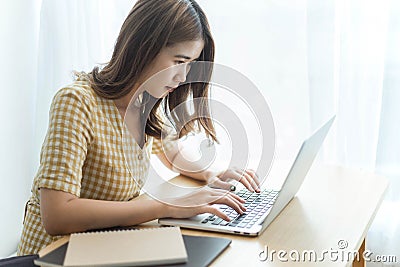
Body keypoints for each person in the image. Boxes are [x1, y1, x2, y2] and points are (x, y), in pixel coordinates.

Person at [17, 0, 260, 255]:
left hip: (105, 250)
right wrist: (167, 206)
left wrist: (211, 175)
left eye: (190, 64)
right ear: (144, 48)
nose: (183, 77)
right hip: (53, 256)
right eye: (180, 61)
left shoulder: (143, 102)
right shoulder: (77, 102)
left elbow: (172, 154)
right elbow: (57, 214)